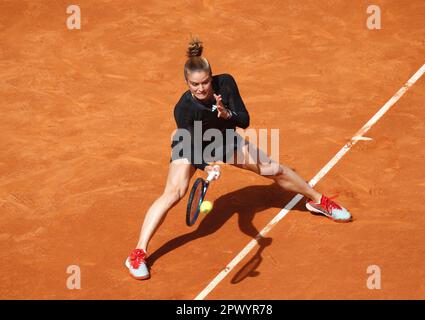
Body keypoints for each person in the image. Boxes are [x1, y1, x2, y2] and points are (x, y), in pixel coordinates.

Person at [125, 36, 352, 280]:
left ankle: (318, 202)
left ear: (212, 77)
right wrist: (205, 166)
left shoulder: (227, 84)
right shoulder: (183, 109)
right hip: (191, 145)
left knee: (274, 169)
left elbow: (244, 120)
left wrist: (227, 115)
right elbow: (192, 145)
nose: (201, 89)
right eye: (194, 84)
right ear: (186, 82)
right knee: (175, 192)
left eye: (205, 82)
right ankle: (137, 253)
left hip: (223, 139)